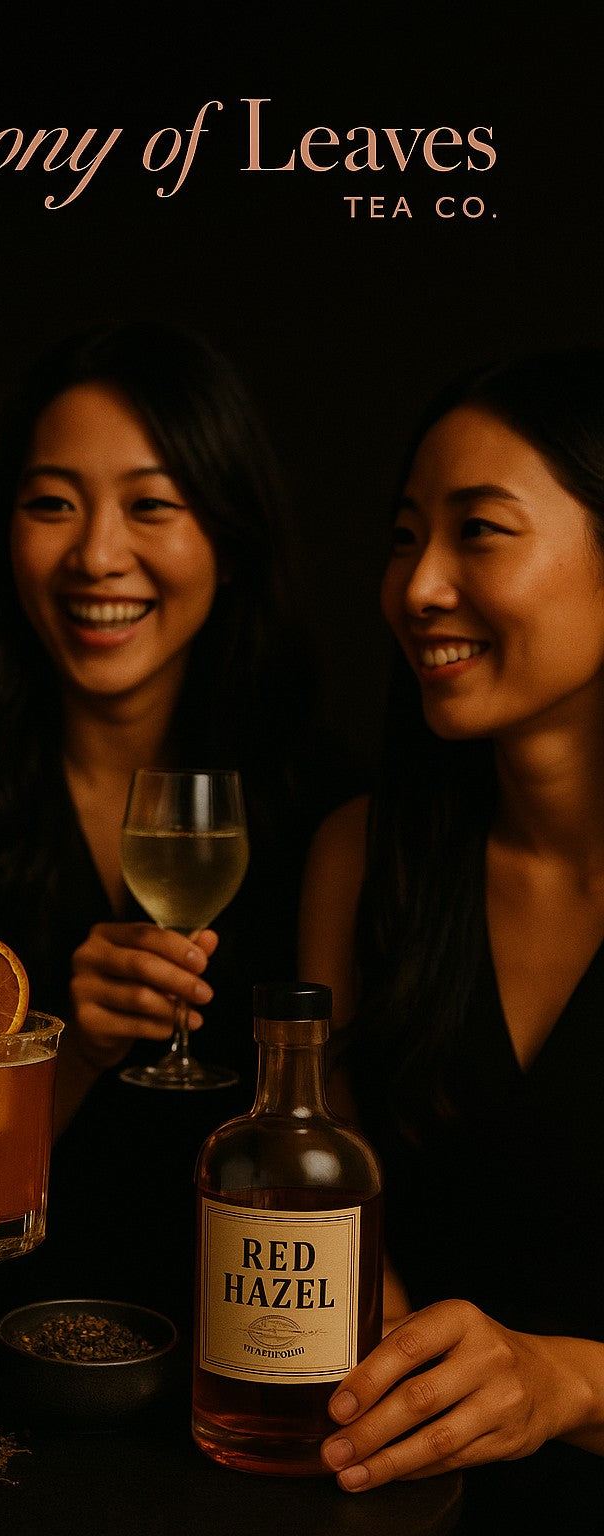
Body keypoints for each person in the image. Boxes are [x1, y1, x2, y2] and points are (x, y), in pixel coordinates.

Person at [0, 321, 348, 1318]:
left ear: (229, 542)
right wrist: (76, 1050)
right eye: (52, 505)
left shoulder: (326, 815)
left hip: (243, 1355)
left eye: (151, 505)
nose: (97, 556)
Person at [298, 349, 604, 1502]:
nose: (417, 587)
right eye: (403, 536)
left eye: (479, 531)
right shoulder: (361, 860)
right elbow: (328, 1217)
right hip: (401, 1491)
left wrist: (565, 1383)